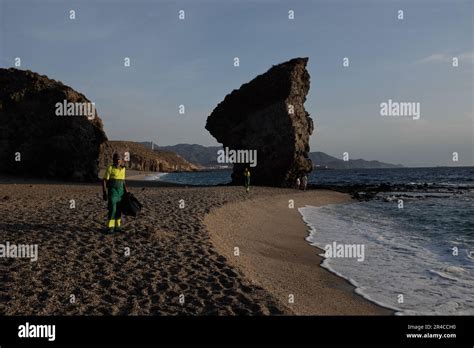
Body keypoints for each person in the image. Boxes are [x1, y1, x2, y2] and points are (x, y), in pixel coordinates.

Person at [102, 153, 128, 233]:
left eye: (119, 159)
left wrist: (126, 191)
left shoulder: (123, 169)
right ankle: (110, 227)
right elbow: (104, 180)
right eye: (116, 159)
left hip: (121, 192)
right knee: (112, 209)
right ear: (113, 160)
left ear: (121, 160)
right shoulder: (110, 168)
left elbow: (123, 181)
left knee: (119, 209)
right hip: (112, 191)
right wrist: (104, 192)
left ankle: (117, 226)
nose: (117, 161)